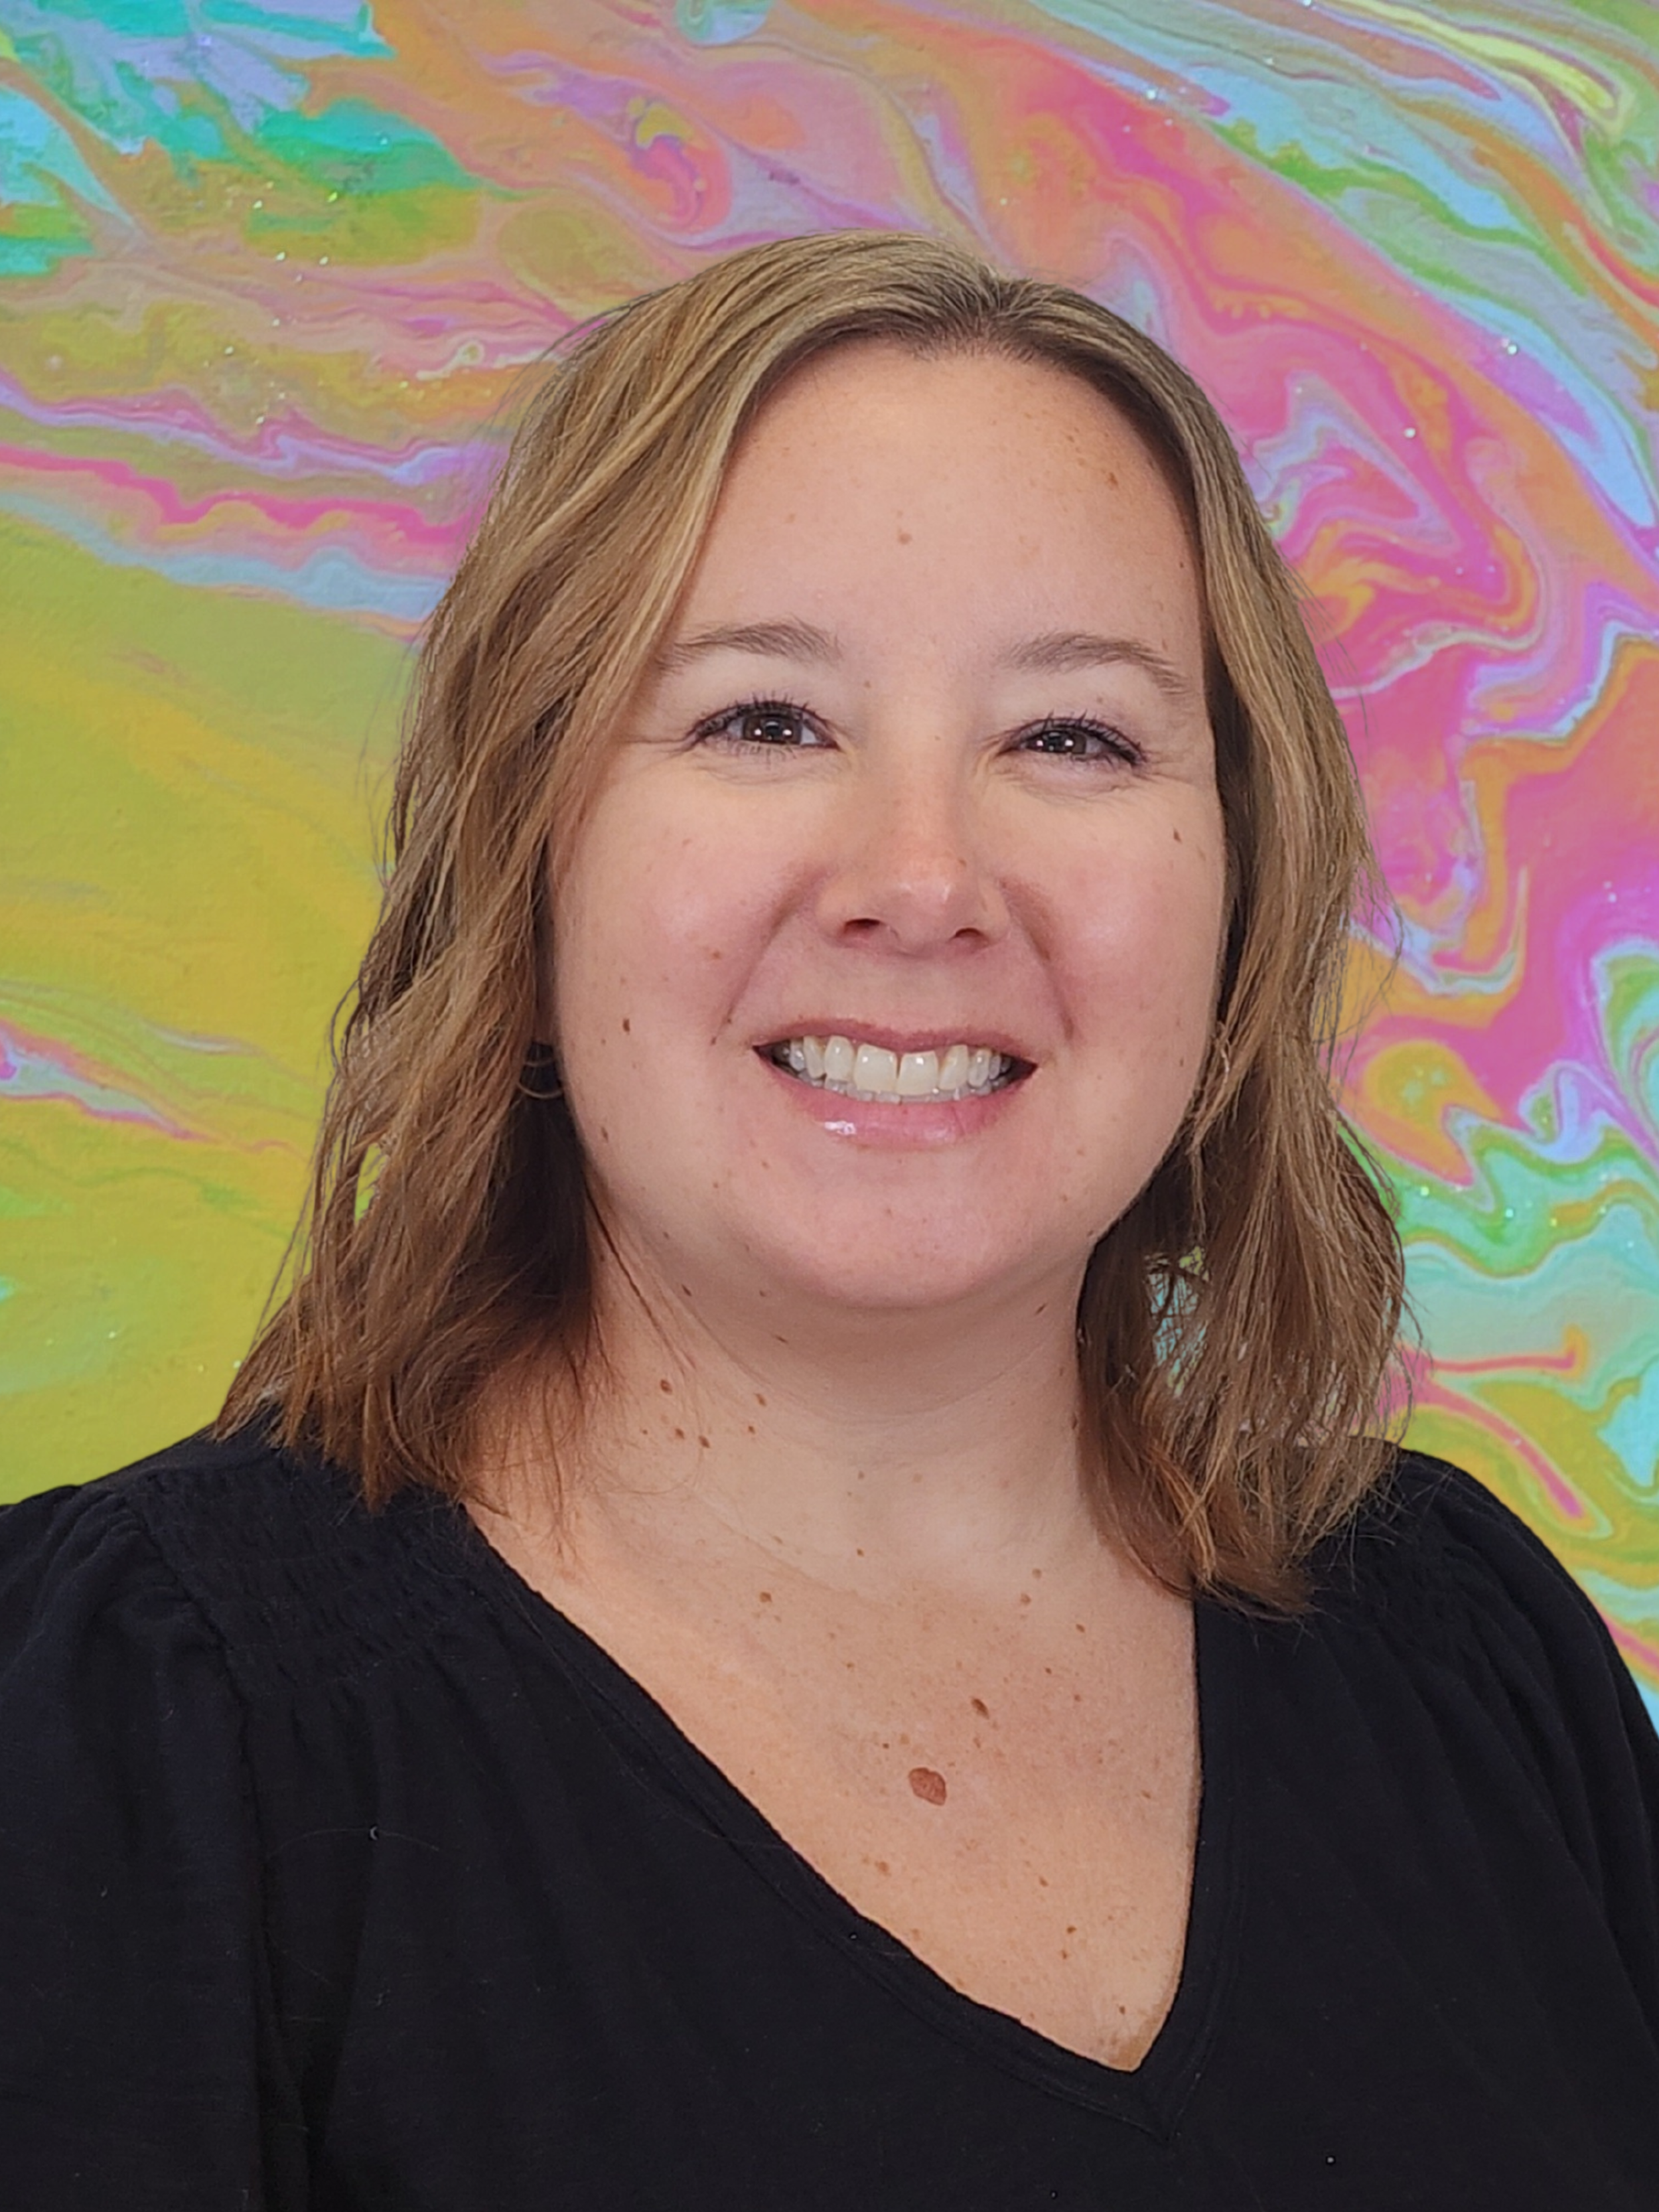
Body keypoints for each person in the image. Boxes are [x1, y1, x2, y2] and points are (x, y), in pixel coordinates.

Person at [2, 232, 1656, 2210]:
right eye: (764, 720)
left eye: (1072, 736)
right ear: (527, 858)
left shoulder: (1471, 1658)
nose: (923, 877)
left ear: (1240, 887)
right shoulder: (129, 1733)